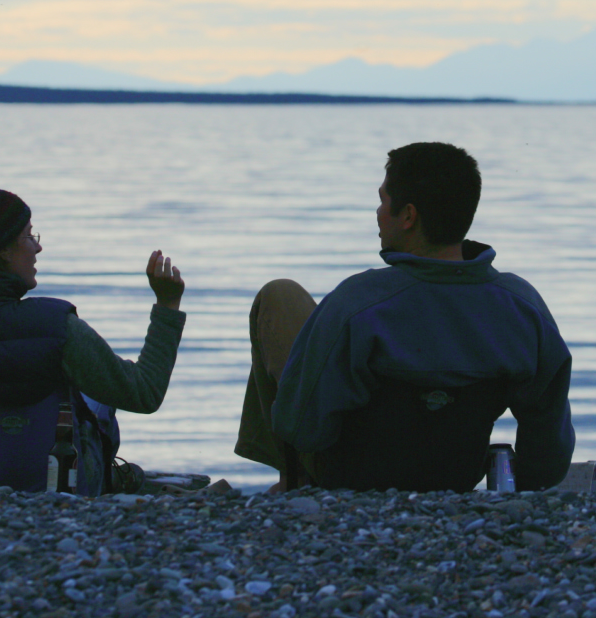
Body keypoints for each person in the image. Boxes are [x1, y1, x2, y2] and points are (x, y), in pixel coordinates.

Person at [234, 142, 574, 492]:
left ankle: (293, 481)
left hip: (348, 480)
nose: (378, 212)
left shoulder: (358, 303)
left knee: (280, 295)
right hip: (456, 478)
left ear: (409, 216)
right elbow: (549, 457)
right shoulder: (523, 307)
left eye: (383, 201)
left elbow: (301, 428)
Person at [0, 189, 186, 495]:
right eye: (29, 236)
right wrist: (167, 305)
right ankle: (109, 477)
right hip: (58, 492)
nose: (38, 247)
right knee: (97, 399)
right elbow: (144, 393)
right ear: (3, 250)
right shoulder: (56, 326)